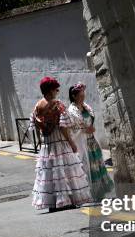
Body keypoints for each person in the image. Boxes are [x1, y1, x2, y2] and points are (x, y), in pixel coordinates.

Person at [31, 76, 93, 211]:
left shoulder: (37, 106)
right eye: (56, 89)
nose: (57, 91)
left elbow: (36, 126)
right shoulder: (57, 104)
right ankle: (65, 201)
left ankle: (53, 203)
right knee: (64, 171)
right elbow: (63, 126)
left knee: (50, 174)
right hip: (59, 142)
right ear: (51, 90)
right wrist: (71, 142)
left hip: (47, 144)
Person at [67, 82, 114, 202]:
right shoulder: (72, 110)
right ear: (74, 96)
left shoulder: (86, 107)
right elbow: (72, 128)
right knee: (87, 166)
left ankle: (100, 193)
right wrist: (84, 130)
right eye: (81, 94)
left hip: (92, 140)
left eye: (83, 94)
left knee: (97, 165)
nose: (83, 96)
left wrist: (90, 129)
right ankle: (89, 194)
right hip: (83, 142)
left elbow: (90, 121)